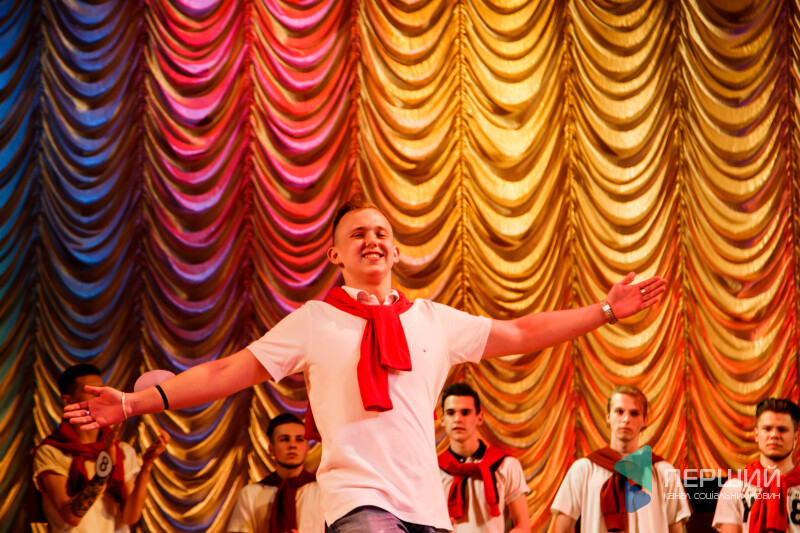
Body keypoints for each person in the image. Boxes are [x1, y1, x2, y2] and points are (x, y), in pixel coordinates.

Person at [64, 198, 666, 532]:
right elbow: (226, 373)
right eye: (357, 234)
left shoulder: (432, 320)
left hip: (426, 507)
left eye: (381, 232)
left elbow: (522, 332)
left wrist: (605, 311)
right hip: (357, 501)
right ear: (335, 253)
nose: (372, 239)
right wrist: (136, 401)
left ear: (397, 250)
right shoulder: (314, 320)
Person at [34, 364, 169, 533]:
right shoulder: (52, 451)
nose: (100, 396)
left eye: (101, 390)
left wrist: (147, 466)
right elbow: (71, 517)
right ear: (68, 400)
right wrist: (105, 466)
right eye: (91, 391)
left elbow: (130, 517)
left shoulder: (122, 450)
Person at [551, 386, 691, 533]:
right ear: (608, 417)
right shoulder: (583, 470)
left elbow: (676, 529)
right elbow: (562, 529)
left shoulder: (663, 472)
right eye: (619, 411)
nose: (626, 419)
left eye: (634, 413)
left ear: (644, 420)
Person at [438, 382, 530, 533]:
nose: (458, 419)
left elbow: (523, 526)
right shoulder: (434, 470)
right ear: (442, 419)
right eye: (451, 413)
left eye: (465, 412)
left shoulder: (506, 465)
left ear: (479, 418)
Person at [712, 398, 800, 533]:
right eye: (767, 429)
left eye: (782, 430)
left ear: (796, 437)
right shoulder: (734, 488)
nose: (774, 435)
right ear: (757, 435)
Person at [226, 413, 324, 533]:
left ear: (307, 448)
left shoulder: (323, 491)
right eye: (284, 439)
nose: (292, 445)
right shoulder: (250, 494)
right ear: (271, 449)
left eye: (299, 439)